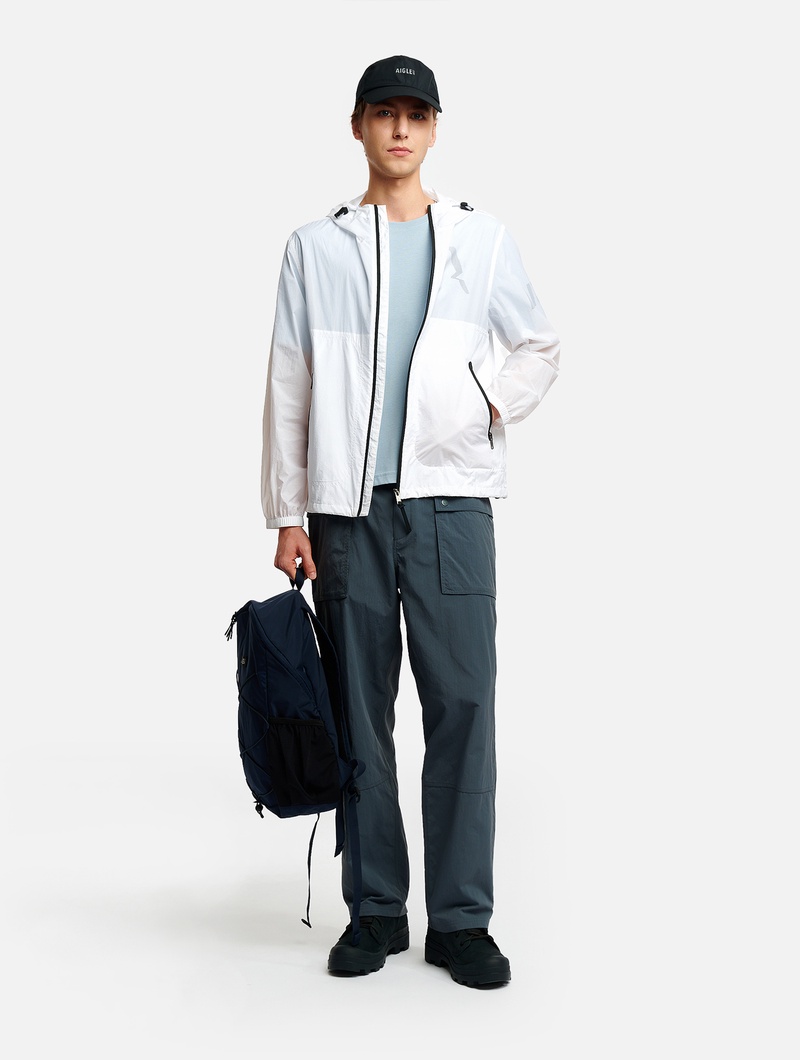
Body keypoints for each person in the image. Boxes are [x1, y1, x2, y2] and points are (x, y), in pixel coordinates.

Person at [261, 54, 560, 988]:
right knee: (359, 710)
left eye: (415, 115)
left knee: (464, 705)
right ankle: (377, 910)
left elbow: (539, 345)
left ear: (434, 129)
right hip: (345, 512)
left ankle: (462, 919)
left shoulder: (481, 239)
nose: (399, 129)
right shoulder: (315, 248)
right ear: (357, 126)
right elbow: (289, 380)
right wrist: (287, 512)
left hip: (452, 505)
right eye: (383, 113)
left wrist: (487, 402)